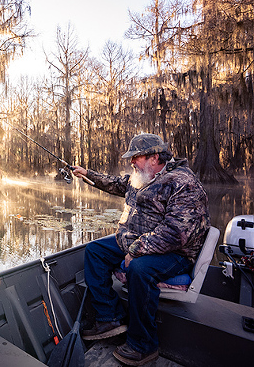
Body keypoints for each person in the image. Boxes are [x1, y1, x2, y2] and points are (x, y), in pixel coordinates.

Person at [71, 133, 210, 366]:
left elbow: (176, 232)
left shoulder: (183, 183)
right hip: (137, 240)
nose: (131, 162)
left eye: (136, 157)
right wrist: (87, 174)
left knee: (139, 269)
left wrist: (136, 250)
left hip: (175, 253)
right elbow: (118, 183)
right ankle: (110, 317)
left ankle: (143, 345)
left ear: (154, 157)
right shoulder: (143, 177)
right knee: (95, 251)